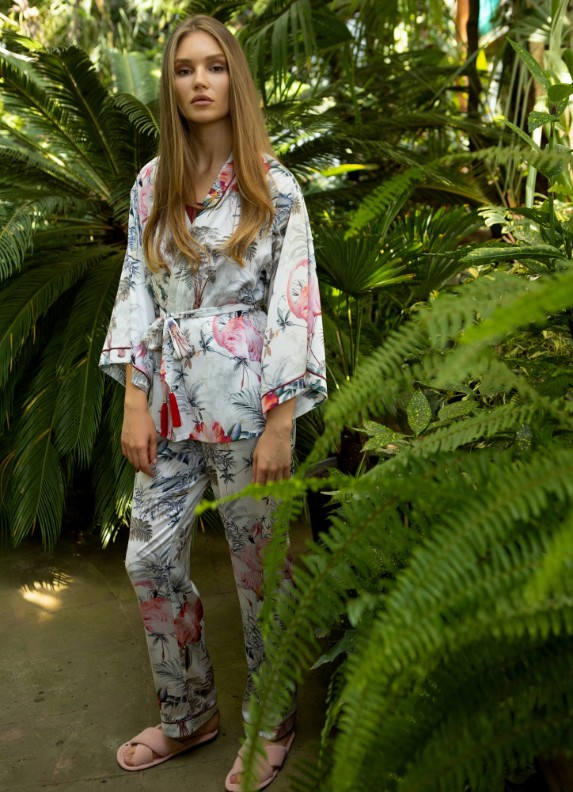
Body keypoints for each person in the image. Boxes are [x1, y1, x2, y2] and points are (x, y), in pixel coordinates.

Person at [99, 14, 326, 792]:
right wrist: (134, 399)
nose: (199, 80)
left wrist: (280, 423)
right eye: (184, 68)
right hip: (166, 403)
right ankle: (188, 712)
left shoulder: (275, 186)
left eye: (214, 66)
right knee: (149, 558)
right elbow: (137, 289)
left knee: (260, 574)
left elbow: (294, 307)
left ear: (234, 79)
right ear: (170, 84)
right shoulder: (150, 183)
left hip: (248, 407)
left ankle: (271, 721)